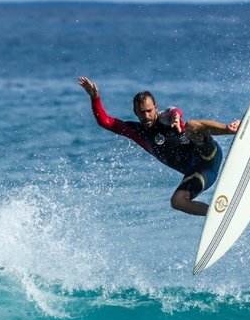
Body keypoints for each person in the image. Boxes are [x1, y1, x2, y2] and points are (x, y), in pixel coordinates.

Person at [78, 76, 239, 216]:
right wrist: (95, 97)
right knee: (177, 201)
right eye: (141, 112)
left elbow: (175, 111)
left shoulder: (166, 118)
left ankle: (231, 129)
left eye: (149, 110)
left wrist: (176, 117)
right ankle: (217, 215)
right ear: (135, 112)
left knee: (191, 125)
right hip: (199, 172)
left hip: (208, 154)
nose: (146, 116)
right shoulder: (136, 131)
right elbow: (105, 122)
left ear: (156, 107)